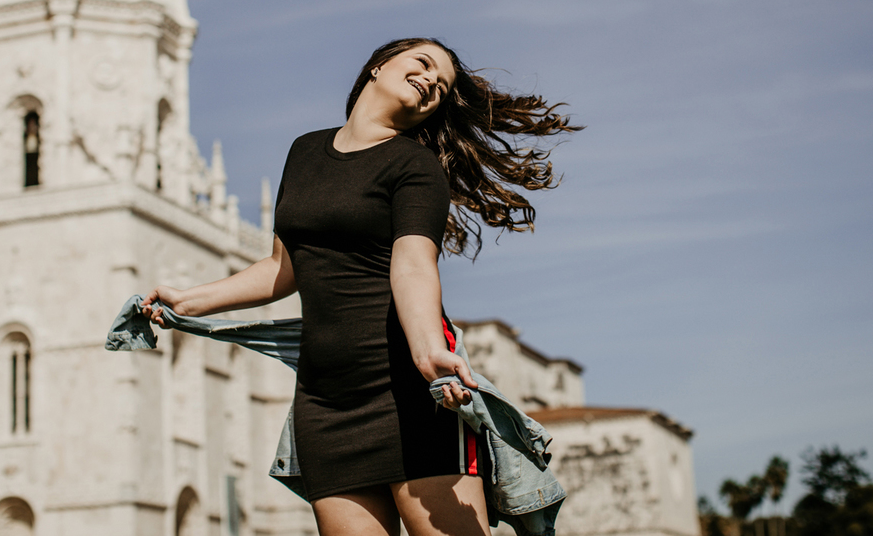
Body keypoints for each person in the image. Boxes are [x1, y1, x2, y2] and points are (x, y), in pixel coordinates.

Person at [141, 37, 579, 536]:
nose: (432, 80)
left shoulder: (415, 167)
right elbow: (283, 269)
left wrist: (428, 353)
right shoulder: (305, 152)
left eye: (442, 84)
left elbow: (413, 266)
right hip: (325, 403)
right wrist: (189, 301)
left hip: (412, 394)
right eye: (423, 62)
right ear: (377, 66)